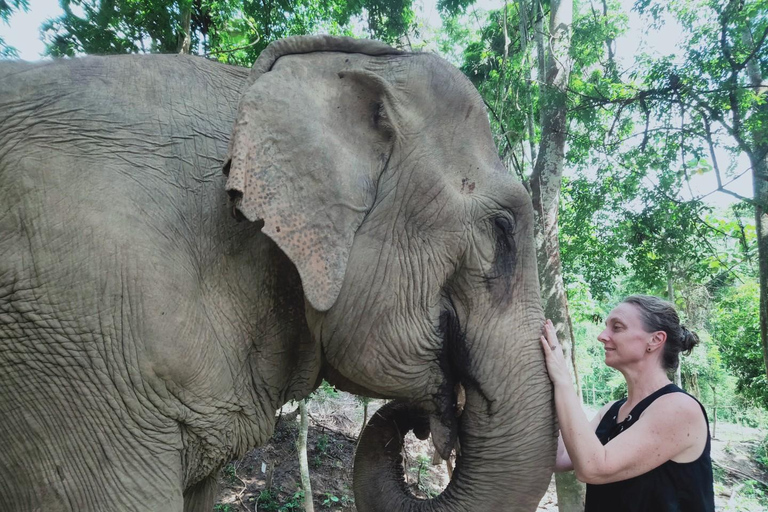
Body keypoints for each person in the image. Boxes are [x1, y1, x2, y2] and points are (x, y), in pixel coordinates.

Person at [540, 295, 715, 511]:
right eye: (606, 327)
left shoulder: (679, 408)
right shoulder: (611, 411)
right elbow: (560, 458)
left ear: (655, 340)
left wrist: (563, 380)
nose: (602, 336)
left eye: (617, 327)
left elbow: (593, 468)